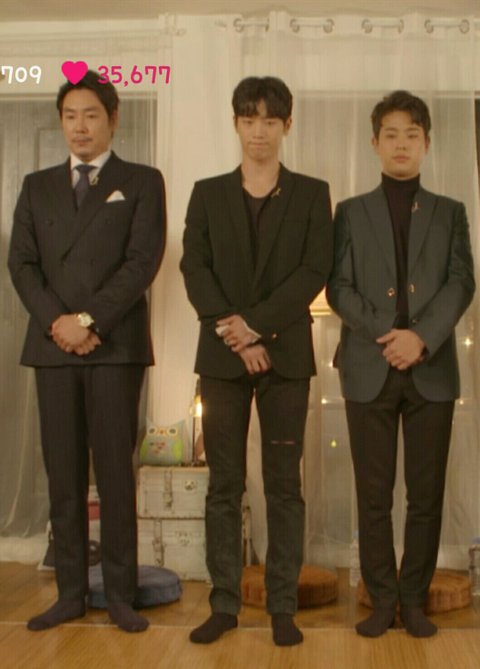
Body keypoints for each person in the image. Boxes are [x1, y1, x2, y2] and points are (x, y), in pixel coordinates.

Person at [8, 70, 166, 633]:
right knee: (64, 475)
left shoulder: (141, 181)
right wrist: (59, 322)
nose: (80, 127)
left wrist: (89, 320)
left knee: (116, 476)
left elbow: (142, 261)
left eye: (91, 115)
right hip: (54, 347)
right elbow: (21, 263)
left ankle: (120, 596)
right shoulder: (36, 186)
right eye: (70, 116)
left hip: (113, 345)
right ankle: (70, 594)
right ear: (61, 122)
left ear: (113, 119)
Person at [180, 76, 332, 646]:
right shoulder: (207, 193)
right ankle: (224, 604)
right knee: (224, 484)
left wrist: (258, 325)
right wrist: (238, 334)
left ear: (287, 125)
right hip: (223, 358)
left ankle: (282, 607)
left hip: (286, 356)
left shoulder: (312, 193)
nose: (259, 131)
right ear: (236, 124)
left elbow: (314, 269)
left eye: (270, 120)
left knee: (283, 484)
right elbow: (194, 268)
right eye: (249, 120)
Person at [327, 90, 475, 638]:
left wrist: (422, 338)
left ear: (426, 143)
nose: (401, 144)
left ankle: (413, 601)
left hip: (431, 370)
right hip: (368, 365)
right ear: (375, 143)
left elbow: (461, 282)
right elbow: (338, 287)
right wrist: (387, 334)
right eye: (391, 134)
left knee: (425, 495)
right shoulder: (350, 212)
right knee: (373, 496)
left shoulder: (450, 212)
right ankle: (381, 600)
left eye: (411, 135)